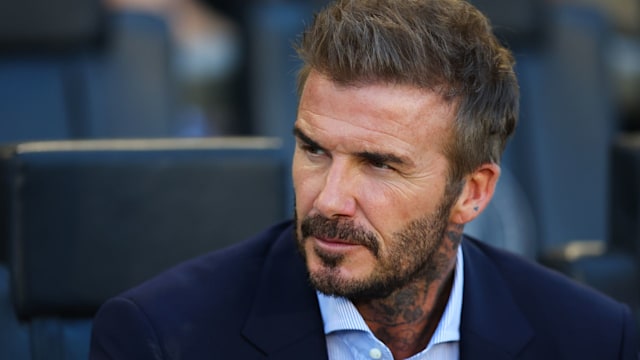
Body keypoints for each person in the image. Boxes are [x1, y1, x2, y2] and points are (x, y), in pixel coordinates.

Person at [89, 0, 639, 359]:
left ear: (472, 193)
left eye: (379, 164)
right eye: (313, 150)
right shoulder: (159, 338)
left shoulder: (592, 339)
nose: (328, 199)